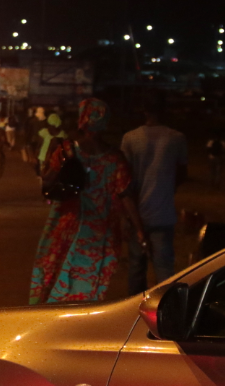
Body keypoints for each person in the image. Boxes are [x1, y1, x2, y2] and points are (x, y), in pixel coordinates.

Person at [30, 99, 145, 304]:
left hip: (66, 223)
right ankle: (81, 315)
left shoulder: (66, 150)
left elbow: (47, 179)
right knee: (91, 278)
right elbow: (125, 195)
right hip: (101, 230)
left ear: (82, 119)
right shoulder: (115, 158)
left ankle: (55, 312)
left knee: (58, 270)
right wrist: (138, 228)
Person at [121, 98, 188, 294]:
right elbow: (182, 173)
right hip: (163, 213)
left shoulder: (130, 138)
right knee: (164, 269)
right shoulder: (177, 138)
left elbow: (124, 179)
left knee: (135, 268)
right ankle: (166, 313)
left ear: (144, 111)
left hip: (136, 214)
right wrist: (167, 188)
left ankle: (133, 315)